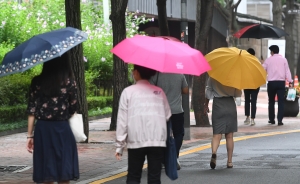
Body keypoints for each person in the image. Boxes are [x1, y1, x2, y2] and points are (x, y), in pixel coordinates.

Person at [26, 53, 79, 184]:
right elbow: (74, 107)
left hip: (43, 129)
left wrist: (29, 135)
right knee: (64, 170)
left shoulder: (37, 82)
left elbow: (31, 110)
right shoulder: (69, 82)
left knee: (46, 170)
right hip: (62, 129)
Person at [115, 65, 171, 184]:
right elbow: (167, 115)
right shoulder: (159, 92)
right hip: (157, 140)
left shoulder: (128, 92)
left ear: (136, 72)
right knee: (154, 178)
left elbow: (122, 120)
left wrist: (120, 145)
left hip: (136, 140)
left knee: (133, 177)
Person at [150, 73, 188, 170]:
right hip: (177, 111)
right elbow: (185, 90)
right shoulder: (180, 75)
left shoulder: (156, 75)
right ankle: (173, 157)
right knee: (179, 134)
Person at [204, 77, 242, 169]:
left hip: (218, 104)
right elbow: (238, 94)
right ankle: (229, 162)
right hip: (230, 104)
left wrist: (206, 104)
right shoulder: (234, 77)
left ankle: (214, 153)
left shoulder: (213, 77)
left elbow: (208, 93)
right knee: (229, 136)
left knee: (216, 134)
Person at [262, 45, 293, 126]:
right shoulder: (284, 60)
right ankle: (280, 120)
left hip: (271, 83)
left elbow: (262, 69)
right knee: (281, 102)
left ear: (272, 51)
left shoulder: (268, 60)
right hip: (281, 83)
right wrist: (290, 81)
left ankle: (271, 119)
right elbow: (287, 71)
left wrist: (262, 63)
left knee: (271, 101)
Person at [244, 48, 260, 126]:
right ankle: (253, 119)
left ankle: (247, 117)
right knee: (254, 101)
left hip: (246, 83)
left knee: (247, 100)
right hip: (255, 84)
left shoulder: (244, 62)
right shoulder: (256, 61)